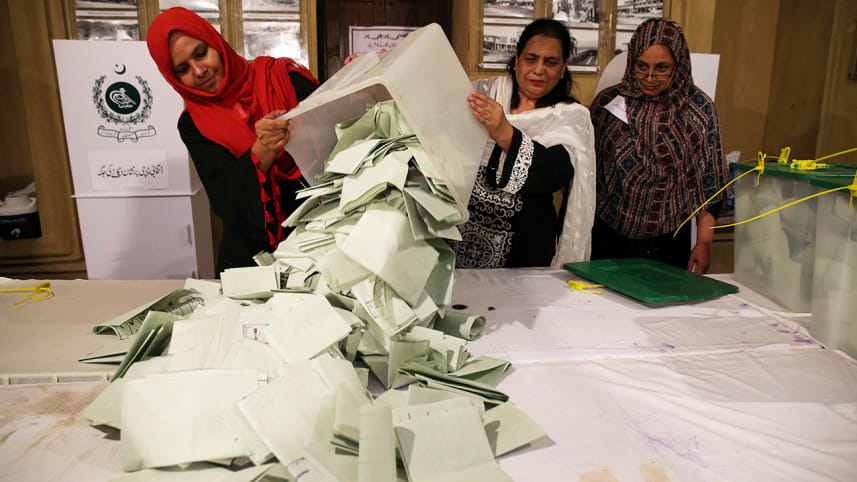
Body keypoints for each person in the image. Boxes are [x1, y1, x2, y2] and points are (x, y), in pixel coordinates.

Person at [146, 7, 319, 275]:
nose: (199, 70)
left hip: (321, 239)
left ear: (216, 44)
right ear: (174, 78)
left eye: (201, 53)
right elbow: (226, 201)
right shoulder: (193, 124)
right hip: (253, 257)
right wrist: (262, 149)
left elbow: (340, 136)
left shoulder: (282, 79)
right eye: (182, 69)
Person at [453, 18, 596, 268]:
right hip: (460, 236)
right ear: (517, 58)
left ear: (563, 68)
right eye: (531, 58)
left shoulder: (569, 117)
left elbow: (553, 174)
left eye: (551, 62)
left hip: (525, 249)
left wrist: (505, 133)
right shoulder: (485, 93)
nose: (539, 70)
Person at [589, 18, 728, 274]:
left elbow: (710, 183)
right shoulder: (606, 104)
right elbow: (586, 174)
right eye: (642, 66)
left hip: (668, 239)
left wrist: (705, 242)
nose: (650, 77)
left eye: (662, 68)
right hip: (607, 233)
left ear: (679, 64)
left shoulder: (699, 110)